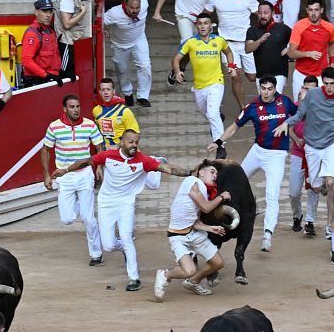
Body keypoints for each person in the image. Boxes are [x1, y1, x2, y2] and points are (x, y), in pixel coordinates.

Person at [60, 130, 191, 290]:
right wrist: (65, 170)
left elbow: (169, 169)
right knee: (108, 246)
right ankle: (123, 248)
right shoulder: (108, 156)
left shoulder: (142, 160)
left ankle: (134, 279)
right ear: (122, 142)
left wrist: (190, 173)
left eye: (136, 142)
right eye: (130, 141)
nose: (134, 145)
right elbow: (85, 162)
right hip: (106, 203)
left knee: (127, 237)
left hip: (126, 203)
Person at [276, 66, 334, 239]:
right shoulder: (313, 94)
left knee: (332, 182)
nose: (329, 87)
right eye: (326, 84)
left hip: (331, 146)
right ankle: (321, 183)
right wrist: (285, 124)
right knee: (316, 188)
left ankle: (330, 223)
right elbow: (300, 115)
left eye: (332, 83)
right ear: (322, 83)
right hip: (311, 147)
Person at [209, 75, 297, 252]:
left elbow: (300, 114)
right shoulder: (252, 107)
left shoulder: (285, 102)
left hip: (277, 155)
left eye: (269, 89)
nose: (266, 92)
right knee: (235, 182)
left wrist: (288, 124)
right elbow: (234, 127)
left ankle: (267, 235)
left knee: (272, 195)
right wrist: (218, 141)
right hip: (257, 152)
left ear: (275, 89)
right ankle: (220, 217)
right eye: (263, 88)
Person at [40, 94, 105, 266]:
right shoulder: (54, 127)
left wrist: (98, 166)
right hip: (64, 176)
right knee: (67, 218)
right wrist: (46, 175)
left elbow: (99, 146)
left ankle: (96, 254)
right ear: (64, 109)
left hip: (84, 174)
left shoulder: (89, 124)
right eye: (72, 107)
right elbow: (45, 150)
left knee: (89, 218)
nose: (76, 110)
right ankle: (82, 209)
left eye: (77, 106)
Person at [153, 160, 231, 300]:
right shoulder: (192, 182)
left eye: (216, 174)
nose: (215, 176)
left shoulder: (203, 192)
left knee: (218, 263)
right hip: (177, 237)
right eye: (212, 172)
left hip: (193, 233)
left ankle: (193, 282)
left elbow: (194, 221)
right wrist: (221, 197)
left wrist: (209, 228)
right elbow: (206, 207)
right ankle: (165, 275)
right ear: (201, 173)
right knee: (189, 270)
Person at [173, 12, 238, 145]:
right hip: (199, 87)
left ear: (211, 26)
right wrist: (178, 71)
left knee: (212, 114)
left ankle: (220, 146)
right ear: (196, 26)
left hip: (216, 83)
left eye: (206, 23)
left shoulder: (219, 40)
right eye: (200, 24)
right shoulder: (190, 42)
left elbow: (228, 51)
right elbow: (177, 58)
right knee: (209, 114)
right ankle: (217, 118)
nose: (203, 26)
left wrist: (231, 66)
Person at [205, 0, 259, 109]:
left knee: (252, 77)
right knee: (236, 76)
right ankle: (243, 109)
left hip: (247, 44)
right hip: (227, 46)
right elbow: (205, 15)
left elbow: (263, 15)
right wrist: (206, 32)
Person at [155, 0, 219, 88]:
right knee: (188, 43)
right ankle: (177, 70)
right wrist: (157, 12)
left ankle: (179, 70)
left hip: (200, 19)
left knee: (195, 47)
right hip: (184, 16)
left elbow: (213, 0)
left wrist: (205, 16)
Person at [104, 0, 152, 108]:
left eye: (137, 8)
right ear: (125, 5)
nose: (135, 11)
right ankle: (128, 94)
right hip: (120, 44)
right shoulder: (114, 13)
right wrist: (104, 30)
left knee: (145, 66)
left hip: (139, 39)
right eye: (132, 8)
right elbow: (100, 21)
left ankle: (142, 97)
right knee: (122, 71)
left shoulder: (144, 3)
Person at [288, 0, 334, 99]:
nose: (313, 13)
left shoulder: (330, 28)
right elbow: (291, 53)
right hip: (301, 74)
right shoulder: (299, 26)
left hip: (321, 76)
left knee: (321, 108)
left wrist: (332, 63)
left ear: (322, 10)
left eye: (316, 10)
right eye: (310, 10)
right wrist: (308, 53)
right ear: (307, 10)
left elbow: (331, 44)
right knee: (300, 107)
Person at [288, 75, 319, 234]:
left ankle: (311, 221)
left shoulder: (322, 106)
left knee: (313, 189)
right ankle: (297, 216)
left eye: (311, 90)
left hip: (315, 153)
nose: (308, 92)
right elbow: (290, 128)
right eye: (305, 89)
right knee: (294, 192)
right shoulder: (295, 106)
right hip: (298, 152)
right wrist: (296, 139)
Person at [246, 1, 292, 94]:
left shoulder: (283, 28)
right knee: (264, 103)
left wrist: (289, 48)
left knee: (274, 99)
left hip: (279, 73)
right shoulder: (252, 30)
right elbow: (248, 49)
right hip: (261, 75)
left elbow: (298, 41)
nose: (262, 16)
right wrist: (259, 40)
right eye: (259, 13)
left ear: (273, 13)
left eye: (266, 13)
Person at [54, 0, 92, 80]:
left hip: (71, 39)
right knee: (66, 76)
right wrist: (83, 12)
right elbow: (66, 24)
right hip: (66, 41)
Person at [22, 0, 64, 88]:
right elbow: (26, 60)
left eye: (50, 12)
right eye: (44, 11)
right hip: (38, 81)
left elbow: (54, 60)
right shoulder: (33, 33)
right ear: (36, 12)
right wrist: (46, 75)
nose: (48, 15)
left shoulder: (50, 31)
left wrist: (61, 72)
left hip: (51, 80)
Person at [93, 77, 139, 151]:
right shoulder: (96, 110)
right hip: (106, 153)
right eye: (103, 90)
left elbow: (135, 135)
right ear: (100, 92)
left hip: (124, 152)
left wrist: (117, 146)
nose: (106, 92)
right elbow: (98, 133)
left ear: (113, 91)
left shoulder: (125, 111)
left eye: (108, 89)